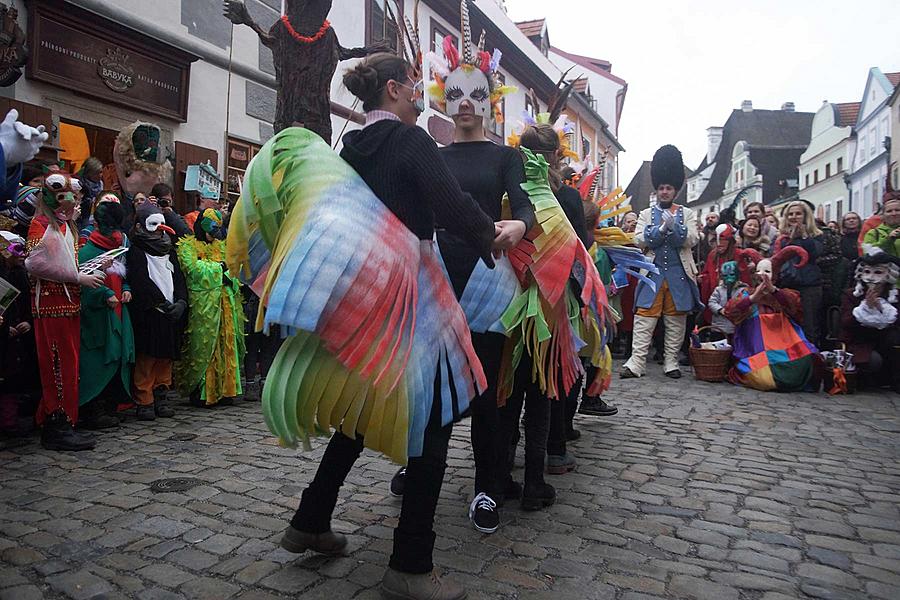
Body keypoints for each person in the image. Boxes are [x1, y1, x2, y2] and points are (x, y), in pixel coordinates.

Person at [225, 51, 502, 600]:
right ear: (395, 91)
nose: (422, 99)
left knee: (361, 403)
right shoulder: (411, 141)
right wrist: (494, 236)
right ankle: (411, 565)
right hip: (415, 290)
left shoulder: (348, 147)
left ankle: (310, 518)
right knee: (435, 414)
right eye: (415, 90)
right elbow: (452, 206)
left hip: (363, 293)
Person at [391, 31, 528, 535]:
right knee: (431, 381)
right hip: (438, 276)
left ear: (490, 99)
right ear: (442, 100)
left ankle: (488, 487)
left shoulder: (505, 157)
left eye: (475, 93)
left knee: (488, 388)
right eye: (455, 94)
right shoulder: (433, 154)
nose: (465, 104)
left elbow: (526, 206)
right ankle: (419, 463)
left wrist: (520, 225)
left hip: (490, 278)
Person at [25, 170, 105, 450]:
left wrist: (88, 270)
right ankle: (56, 425)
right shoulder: (41, 224)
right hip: (50, 306)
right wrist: (77, 277)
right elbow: (35, 263)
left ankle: (65, 421)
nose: (69, 210)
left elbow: (65, 264)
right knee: (57, 366)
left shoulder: (63, 227)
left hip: (68, 304)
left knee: (69, 366)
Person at [621, 145, 701, 379]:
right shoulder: (646, 214)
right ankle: (636, 362)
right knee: (644, 317)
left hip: (678, 274)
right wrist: (660, 229)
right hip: (653, 274)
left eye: (669, 188)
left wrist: (676, 228)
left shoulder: (687, 213)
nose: (665, 192)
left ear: (675, 190)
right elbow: (638, 239)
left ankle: (671, 362)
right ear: (657, 189)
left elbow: (693, 238)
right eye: (662, 188)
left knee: (675, 320)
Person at [724, 246, 821, 391]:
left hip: (784, 344)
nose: (762, 275)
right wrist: (752, 298)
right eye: (758, 271)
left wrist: (774, 291)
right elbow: (730, 310)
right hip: (755, 348)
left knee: (806, 360)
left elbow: (795, 307)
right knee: (762, 376)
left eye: (767, 272)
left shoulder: (785, 294)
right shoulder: (746, 293)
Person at [77, 192, 134, 430]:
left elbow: (124, 275)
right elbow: (80, 284)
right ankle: (93, 409)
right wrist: (104, 295)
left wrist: (127, 289)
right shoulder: (87, 250)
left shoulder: (119, 247)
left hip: (118, 313)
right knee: (98, 360)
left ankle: (111, 404)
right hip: (97, 319)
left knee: (119, 356)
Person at [176, 208, 244, 407]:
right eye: (210, 231)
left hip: (225, 303)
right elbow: (192, 269)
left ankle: (226, 390)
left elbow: (233, 266)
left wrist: (226, 271)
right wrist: (219, 268)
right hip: (203, 305)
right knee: (204, 345)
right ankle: (203, 391)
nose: (213, 236)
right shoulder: (187, 246)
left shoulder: (222, 245)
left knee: (226, 343)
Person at [126, 203, 185, 420]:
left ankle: (162, 394)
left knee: (166, 358)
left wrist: (181, 301)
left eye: (163, 223)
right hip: (150, 313)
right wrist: (158, 303)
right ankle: (145, 399)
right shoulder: (137, 251)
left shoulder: (170, 250)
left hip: (170, 314)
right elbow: (140, 281)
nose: (161, 228)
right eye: (154, 224)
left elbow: (179, 278)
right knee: (147, 358)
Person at [839, 252, 900, 391]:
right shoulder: (851, 295)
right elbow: (846, 323)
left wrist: (880, 309)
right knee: (873, 360)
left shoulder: (895, 296)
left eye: (878, 272)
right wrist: (866, 309)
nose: (872, 278)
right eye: (867, 271)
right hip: (858, 341)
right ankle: (865, 378)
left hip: (885, 341)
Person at [0, 230, 38, 439]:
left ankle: (10, 423)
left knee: (13, 381)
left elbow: (26, 305)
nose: (22, 254)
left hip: (16, 337)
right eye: (17, 249)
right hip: (4, 336)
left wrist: (27, 322)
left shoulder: (20, 274)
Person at [773, 201, 825, 346]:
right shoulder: (781, 237)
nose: (794, 217)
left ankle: (813, 360)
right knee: (789, 326)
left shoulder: (816, 235)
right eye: (790, 214)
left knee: (810, 326)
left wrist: (803, 237)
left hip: (809, 286)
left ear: (805, 216)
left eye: (798, 213)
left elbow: (815, 253)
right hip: (788, 285)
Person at [706, 260, 739, 340]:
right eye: (725, 275)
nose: (729, 278)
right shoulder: (719, 289)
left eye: (732, 274)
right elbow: (711, 302)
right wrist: (720, 310)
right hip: (719, 327)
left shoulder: (742, 289)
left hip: (736, 326)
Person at [863, 195, 900, 260]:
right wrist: (888, 239)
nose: (894, 213)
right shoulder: (873, 233)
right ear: (883, 215)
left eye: (897, 210)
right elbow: (868, 254)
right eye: (889, 211)